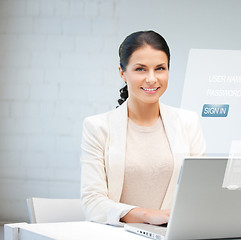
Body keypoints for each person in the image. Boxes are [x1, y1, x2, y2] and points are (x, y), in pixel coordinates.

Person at [80, 30, 205, 227]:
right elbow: (92, 203)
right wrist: (148, 215)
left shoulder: (188, 122)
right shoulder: (98, 127)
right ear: (122, 73)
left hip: (172, 235)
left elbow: (199, 192)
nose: (152, 79)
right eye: (140, 69)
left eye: (160, 68)